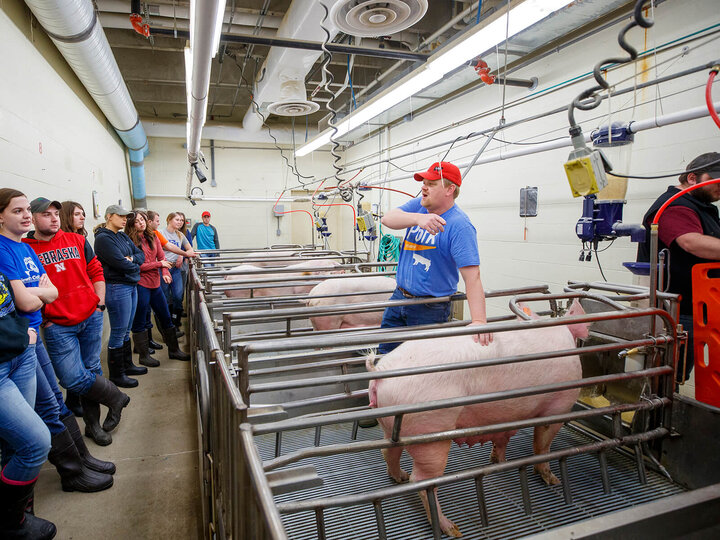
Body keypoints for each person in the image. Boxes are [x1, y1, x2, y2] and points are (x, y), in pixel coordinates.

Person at [24, 197, 131, 447]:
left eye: (55, 214)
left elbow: (95, 270)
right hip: (58, 324)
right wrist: (46, 319)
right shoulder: (27, 248)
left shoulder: (76, 240)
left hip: (90, 316)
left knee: (92, 370)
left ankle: (93, 427)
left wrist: (99, 303)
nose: (52, 218)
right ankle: (116, 397)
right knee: (72, 378)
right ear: (34, 217)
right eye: (45, 214)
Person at [378, 161, 492, 354]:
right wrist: (418, 218)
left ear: (450, 189)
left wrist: (479, 321)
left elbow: (472, 277)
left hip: (429, 308)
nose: (423, 187)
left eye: (431, 184)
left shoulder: (459, 226)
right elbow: (387, 218)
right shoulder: (420, 207)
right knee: (384, 356)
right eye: (423, 182)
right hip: (399, 298)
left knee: (421, 366)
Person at [637, 152, 720, 383]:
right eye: (715, 181)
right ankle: (653, 419)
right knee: (665, 379)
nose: (719, 188)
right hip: (675, 311)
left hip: (695, 307)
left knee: (675, 375)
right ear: (692, 178)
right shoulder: (674, 205)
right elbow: (691, 242)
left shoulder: (700, 205)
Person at [0, 268, 56, 539]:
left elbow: (13, 302)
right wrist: (41, 295)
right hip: (6, 360)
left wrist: (24, 337)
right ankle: (8, 521)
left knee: (15, 445)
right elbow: (25, 300)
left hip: (20, 351)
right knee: (35, 442)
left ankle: (20, 516)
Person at [125, 211, 190, 365]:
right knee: (140, 319)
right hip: (141, 284)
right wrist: (159, 265)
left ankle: (174, 350)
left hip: (155, 284)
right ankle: (143, 355)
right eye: (137, 221)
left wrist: (165, 271)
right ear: (131, 225)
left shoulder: (153, 236)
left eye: (142, 219)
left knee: (166, 316)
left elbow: (162, 256)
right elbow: (136, 265)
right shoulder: (130, 241)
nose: (141, 223)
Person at [94, 205, 146, 388]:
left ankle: (127, 365)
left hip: (129, 285)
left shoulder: (122, 236)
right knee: (118, 331)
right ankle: (117, 374)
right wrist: (132, 263)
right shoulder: (103, 239)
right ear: (109, 216)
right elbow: (120, 263)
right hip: (117, 287)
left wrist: (131, 259)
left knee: (126, 329)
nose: (125, 220)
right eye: (121, 216)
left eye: (126, 216)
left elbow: (141, 255)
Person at [160, 212, 194, 331]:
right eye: (177, 219)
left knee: (178, 295)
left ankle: (176, 321)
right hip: (163, 268)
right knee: (165, 296)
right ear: (169, 219)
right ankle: (168, 323)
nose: (180, 222)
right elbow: (160, 250)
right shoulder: (160, 233)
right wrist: (182, 253)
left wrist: (181, 256)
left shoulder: (180, 235)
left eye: (182, 220)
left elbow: (189, 248)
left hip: (176, 268)